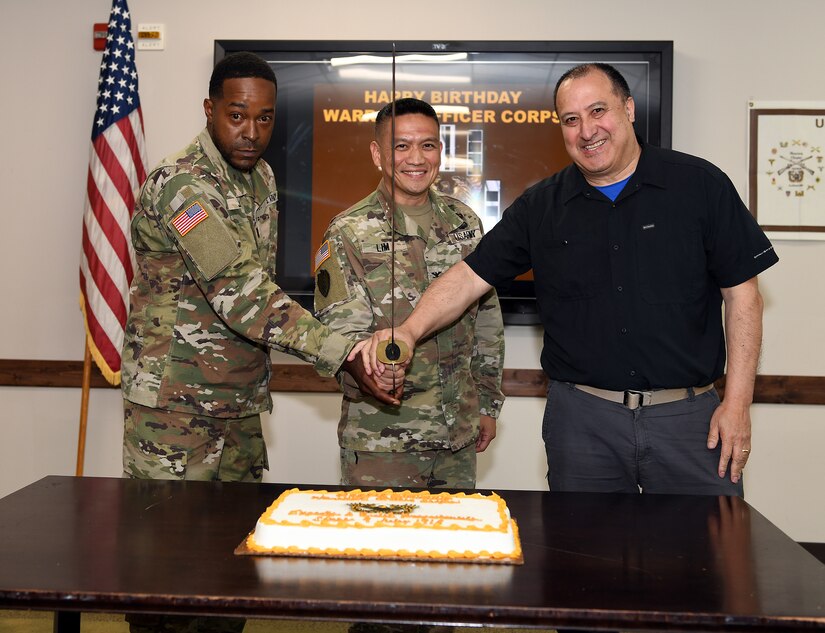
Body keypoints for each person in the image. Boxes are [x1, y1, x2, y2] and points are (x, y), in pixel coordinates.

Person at [358, 63, 778, 498]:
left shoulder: (700, 185)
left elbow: (744, 296)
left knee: (704, 558)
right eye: (571, 119)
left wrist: (738, 404)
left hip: (692, 421)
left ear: (629, 109)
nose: (587, 130)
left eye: (599, 111)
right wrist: (408, 330)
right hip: (583, 424)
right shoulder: (540, 206)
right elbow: (467, 277)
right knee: (582, 561)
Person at [120, 52, 397, 633]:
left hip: (240, 404)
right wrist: (343, 351)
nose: (251, 133)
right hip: (176, 411)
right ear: (210, 110)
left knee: (232, 569)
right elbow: (242, 294)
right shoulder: (183, 185)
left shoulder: (262, 178)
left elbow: (261, 287)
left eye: (265, 118)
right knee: (164, 577)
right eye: (237, 115)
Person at [314, 98, 505, 491]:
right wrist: (378, 369)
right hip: (383, 443)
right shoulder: (348, 231)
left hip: (458, 437)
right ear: (377, 153)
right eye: (401, 146)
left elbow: (487, 319)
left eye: (428, 145)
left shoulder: (465, 223)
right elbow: (341, 337)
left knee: (456, 550)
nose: (416, 158)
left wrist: (487, 404)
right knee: (383, 552)